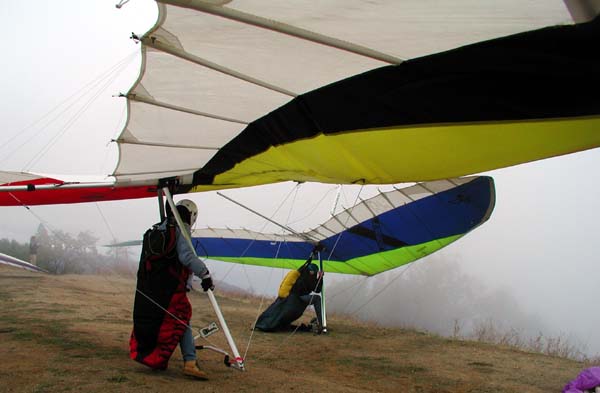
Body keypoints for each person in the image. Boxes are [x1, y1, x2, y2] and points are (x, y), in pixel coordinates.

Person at [129, 199, 214, 380]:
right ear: (191, 216)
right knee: (181, 316)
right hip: (169, 288)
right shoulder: (180, 228)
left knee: (179, 320)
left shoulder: (160, 227)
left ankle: (185, 360)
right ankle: (189, 362)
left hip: (151, 287)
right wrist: (205, 274)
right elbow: (186, 256)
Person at [255, 248, 324, 333]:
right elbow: (306, 264)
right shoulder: (302, 274)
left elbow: (317, 289)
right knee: (317, 298)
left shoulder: (311, 279)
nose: (312, 273)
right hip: (296, 298)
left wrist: (320, 278)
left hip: (299, 300)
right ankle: (321, 324)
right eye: (311, 272)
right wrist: (313, 254)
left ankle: (320, 324)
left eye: (313, 272)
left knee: (317, 298)